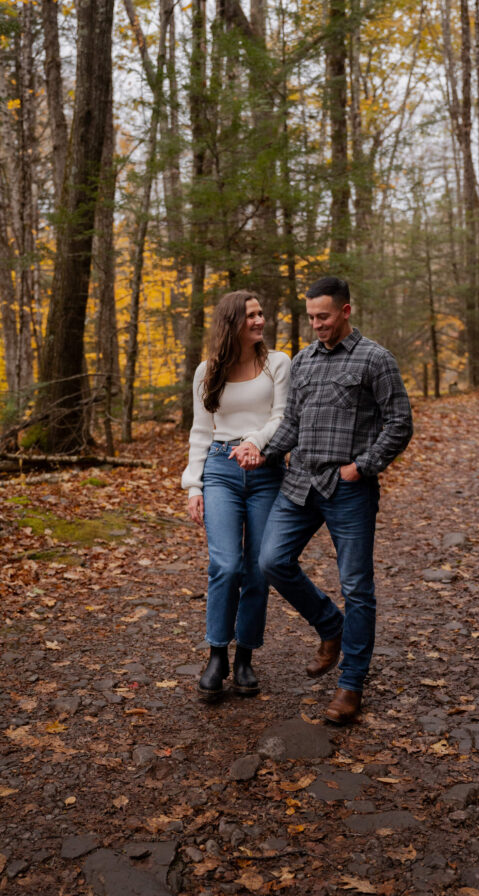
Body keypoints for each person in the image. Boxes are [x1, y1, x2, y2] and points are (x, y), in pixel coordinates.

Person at [254, 276, 413, 724]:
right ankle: (330, 626)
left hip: (348, 489)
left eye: (323, 316)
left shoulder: (376, 360)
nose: (316, 324)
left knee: (358, 588)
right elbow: (292, 425)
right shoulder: (303, 362)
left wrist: (362, 466)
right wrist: (261, 450)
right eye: (311, 317)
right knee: (272, 562)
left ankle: (351, 685)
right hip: (300, 483)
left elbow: (399, 424)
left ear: (346, 311)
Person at [182, 291, 291, 702]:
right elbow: (200, 430)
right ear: (232, 322)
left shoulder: (278, 363)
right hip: (221, 471)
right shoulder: (206, 371)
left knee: (259, 568)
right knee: (225, 565)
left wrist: (254, 443)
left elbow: (282, 417)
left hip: (266, 471)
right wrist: (195, 484)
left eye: (262, 312)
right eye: (251, 315)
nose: (260, 320)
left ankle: (245, 656)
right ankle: (217, 656)